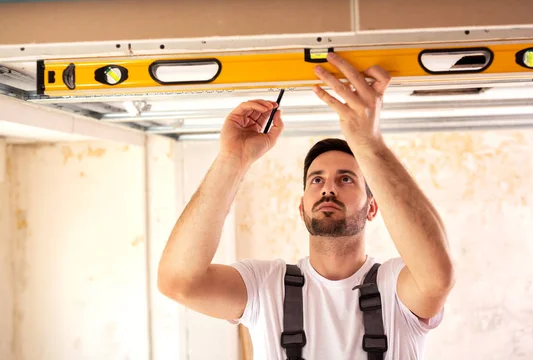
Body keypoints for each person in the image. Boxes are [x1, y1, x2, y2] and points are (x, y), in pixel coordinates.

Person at [158, 52, 455, 359]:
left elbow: (437, 278)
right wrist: (233, 159)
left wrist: (369, 143)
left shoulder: (395, 287)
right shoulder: (265, 287)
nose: (328, 187)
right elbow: (179, 282)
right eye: (316, 180)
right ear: (301, 208)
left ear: (372, 208)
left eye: (346, 179)